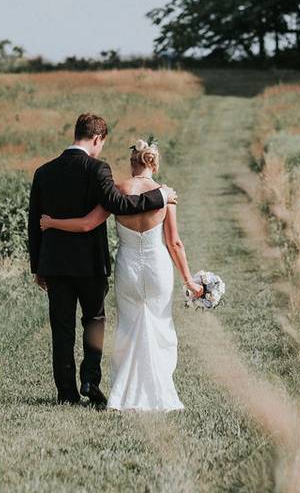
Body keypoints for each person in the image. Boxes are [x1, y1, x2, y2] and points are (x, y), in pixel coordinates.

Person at [40, 138, 202, 411]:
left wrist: (52, 222)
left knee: (128, 327)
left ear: (132, 162)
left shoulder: (117, 191)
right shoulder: (166, 195)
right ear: (153, 163)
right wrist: (189, 280)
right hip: (156, 268)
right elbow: (174, 243)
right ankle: (159, 387)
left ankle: (123, 392)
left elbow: (87, 224)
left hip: (128, 268)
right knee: (160, 324)